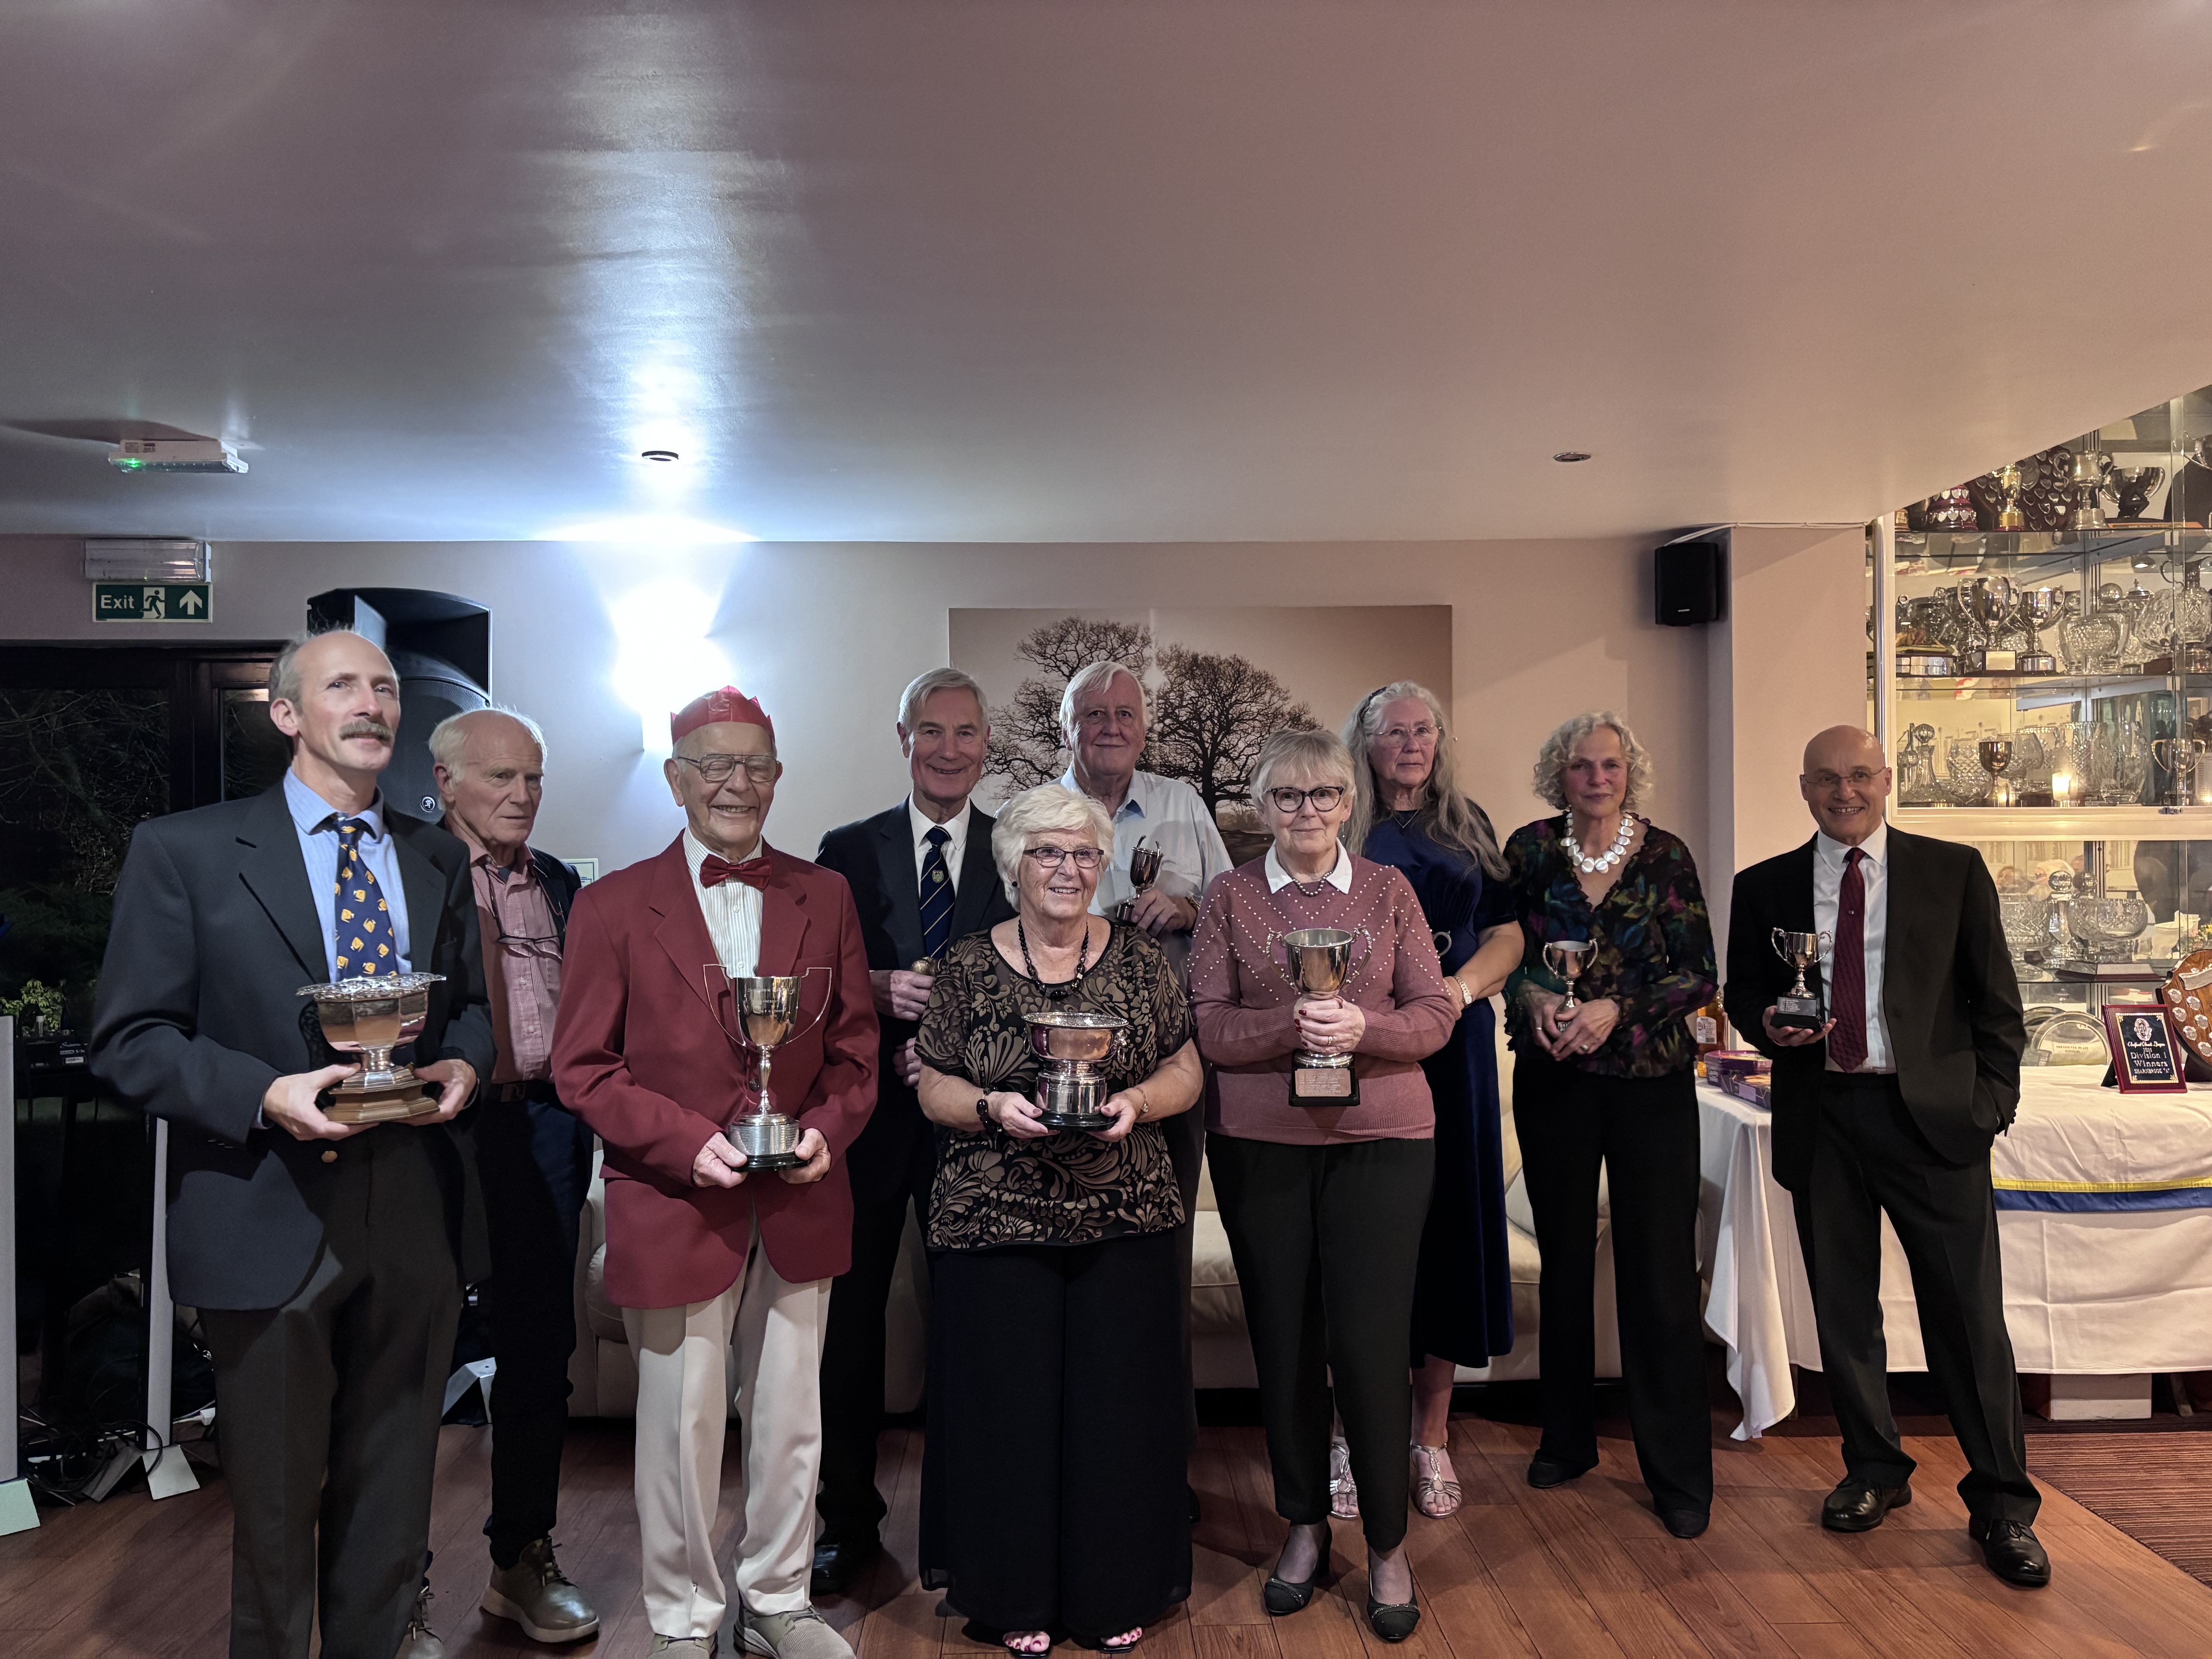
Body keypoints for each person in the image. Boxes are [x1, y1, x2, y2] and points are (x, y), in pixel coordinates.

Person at [89, 627, 493, 1659]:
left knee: (394, 1500)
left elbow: (473, 1012)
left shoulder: (439, 855)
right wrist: (264, 1090)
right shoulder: (182, 851)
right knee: (273, 1510)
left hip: (412, 1214)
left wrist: (465, 1066)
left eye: (388, 687)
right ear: (285, 713)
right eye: (345, 685)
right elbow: (131, 1041)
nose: (373, 704)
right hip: (264, 1216)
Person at [551, 687, 878, 1658]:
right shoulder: (611, 905)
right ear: (676, 779)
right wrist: (683, 1141)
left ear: (779, 779)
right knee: (679, 1428)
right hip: (672, 1198)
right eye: (715, 764)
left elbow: (857, 1055)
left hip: (802, 1194)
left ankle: (777, 1603)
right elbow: (582, 1067)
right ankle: (684, 1621)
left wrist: (824, 1130)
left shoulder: (827, 895)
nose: (738, 783)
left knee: (791, 1422)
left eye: (758, 766)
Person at [1723, 726, 2045, 1588]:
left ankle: (2004, 1506)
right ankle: (1874, 1469)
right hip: (1822, 1115)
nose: (1845, 792)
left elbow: (1998, 1004)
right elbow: (1745, 991)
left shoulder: (1952, 870)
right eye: (1827, 779)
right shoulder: (1764, 886)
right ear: (1804, 789)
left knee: (1968, 1321)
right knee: (1844, 1311)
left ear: (1887, 780)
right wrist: (1768, 1026)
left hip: (1934, 1125)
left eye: (1860, 775)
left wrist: (1988, 1108)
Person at [912, 783, 1202, 1656]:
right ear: (1012, 866)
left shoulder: (1145, 961)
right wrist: (993, 1106)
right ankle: (1013, 1595)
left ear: (1103, 862)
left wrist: (1142, 1101)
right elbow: (931, 1081)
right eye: (1046, 852)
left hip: (1126, 1216)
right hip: (992, 1219)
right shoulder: (965, 964)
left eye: (1082, 852)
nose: (1067, 869)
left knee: (1118, 1413)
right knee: (1007, 1412)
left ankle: (1116, 1588)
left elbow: (1187, 1064)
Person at [1190, 728, 1456, 1644]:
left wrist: (1362, 1029)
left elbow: (1434, 1014)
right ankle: (1303, 1528)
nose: (1309, 813)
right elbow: (1208, 1025)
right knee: (1287, 1342)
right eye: (1288, 798)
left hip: (1384, 1139)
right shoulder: (1228, 896)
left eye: (1326, 796)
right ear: (1260, 810)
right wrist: (1287, 1028)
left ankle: (1387, 1542)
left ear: (1352, 803)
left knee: (1373, 1344)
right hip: (1262, 1144)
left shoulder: (1388, 891)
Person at [810, 668, 1015, 1595]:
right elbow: (815, 982)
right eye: (930, 731)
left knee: (975, 1327)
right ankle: (847, 1523)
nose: (947, 749)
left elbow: (1030, 981)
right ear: (903, 740)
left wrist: (947, 1051)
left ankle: (976, 1522)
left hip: (975, 1128)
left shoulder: (1019, 850)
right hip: (867, 1125)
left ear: (986, 745)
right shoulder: (845, 850)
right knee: (847, 1334)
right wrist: (880, 991)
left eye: (965, 733)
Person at [1501, 711, 1715, 1539]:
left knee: (1658, 1271)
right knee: (1561, 1261)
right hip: (1552, 1077)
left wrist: (1614, 1008)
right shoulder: (1527, 849)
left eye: (1611, 766)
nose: (1597, 778)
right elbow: (1504, 948)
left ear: (1631, 774)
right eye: (1583, 767)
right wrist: (1537, 997)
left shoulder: (1666, 856)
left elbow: (1698, 973)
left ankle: (1678, 1475)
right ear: (1561, 775)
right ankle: (1567, 1440)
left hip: (1649, 1083)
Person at [427, 707, 599, 1644]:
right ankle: (397, 1582)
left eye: (533, 778)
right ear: (445, 780)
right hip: (437, 1131)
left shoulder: (562, 882)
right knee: (411, 1357)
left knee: (541, 1348)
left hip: (545, 1125)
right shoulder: (409, 873)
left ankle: (520, 1558)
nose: (523, 796)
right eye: (501, 778)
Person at [1340, 682, 1522, 1520]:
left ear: (1439, 741)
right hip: (1365, 1042)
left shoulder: (1468, 823)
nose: (1411, 744)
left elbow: (1509, 932)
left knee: (1450, 1233)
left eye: (1424, 731)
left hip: (1454, 1040)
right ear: (1365, 743)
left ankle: (1432, 1438)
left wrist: (1453, 993)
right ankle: (1352, 1434)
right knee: (1365, 1240)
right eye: (1393, 732)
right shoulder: (1342, 820)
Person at [1057, 659, 1232, 1488]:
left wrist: (1190, 910)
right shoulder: (1037, 817)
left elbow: (1235, 914)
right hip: (1059, 1079)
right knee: (1077, 1261)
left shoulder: (1182, 806)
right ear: (1070, 727)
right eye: (1095, 714)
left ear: (1144, 726)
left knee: (1161, 1260)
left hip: (1168, 1072)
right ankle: (1080, 1452)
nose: (1113, 727)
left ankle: (1164, 1459)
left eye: (1126, 713)